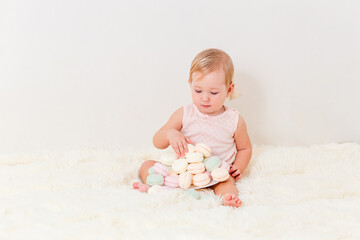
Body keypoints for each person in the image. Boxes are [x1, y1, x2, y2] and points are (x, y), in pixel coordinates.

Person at [133, 48, 252, 207]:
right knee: (147, 165)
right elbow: (157, 141)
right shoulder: (185, 113)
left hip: (215, 174)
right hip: (182, 173)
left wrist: (238, 167)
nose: (205, 98)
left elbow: (245, 148)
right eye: (198, 90)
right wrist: (171, 134)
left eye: (214, 92)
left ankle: (227, 199)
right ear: (190, 84)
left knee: (226, 183)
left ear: (229, 90)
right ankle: (155, 186)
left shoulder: (234, 119)